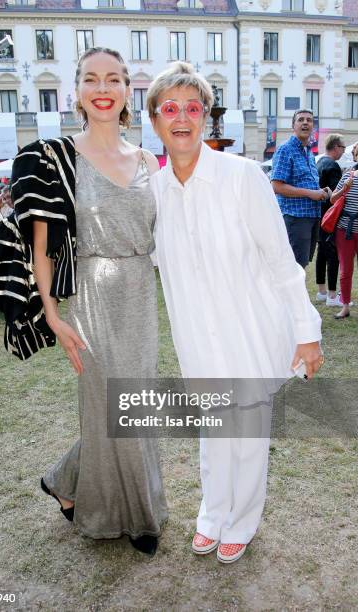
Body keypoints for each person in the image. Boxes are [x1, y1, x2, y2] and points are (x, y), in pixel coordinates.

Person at [0, 47, 167, 555]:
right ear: (77, 92)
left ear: (128, 89)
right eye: (92, 79)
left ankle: (66, 482)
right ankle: (134, 518)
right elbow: (40, 245)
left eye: (114, 78)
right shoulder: (55, 157)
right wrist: (51, 313)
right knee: (108, 405)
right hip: (88, 295)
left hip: (139, 292)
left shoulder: (147, 160)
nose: (103, 87)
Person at [147, 62, 323, 564]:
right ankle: (212, 512)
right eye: (170, 109)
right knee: (212, 432)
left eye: (193, 108)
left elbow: (281, 262)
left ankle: (241, 521)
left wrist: (306, 331)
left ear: (206, 118)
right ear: (156, 120)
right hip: (197, 336)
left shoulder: (243, 176)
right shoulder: (154, 195)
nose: (182, 118)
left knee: (246, 435)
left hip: (249, 330)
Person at [271, 109, 328, 268]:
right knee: (293, 268)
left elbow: (305, 183)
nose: (305, 123)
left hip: (311, 217)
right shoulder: (286, 149)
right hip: (295, 218)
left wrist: (321, 191)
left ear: (313, 126)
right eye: (301, 120)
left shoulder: (309, 152)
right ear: (293, 126)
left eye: (309, 120)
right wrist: (311, 194)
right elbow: (276, 186)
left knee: (301, 266)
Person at [315, 134, 346, 306]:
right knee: (332, 255)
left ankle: (322, 291)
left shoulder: (319, 162)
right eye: (342, 148)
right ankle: (332, 296)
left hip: (320, 216)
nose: (343, 151)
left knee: (322, 254)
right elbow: (336, 195)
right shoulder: (333, 166)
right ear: (336, 147)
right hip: (330, 217)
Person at [330, 142, 358, 319]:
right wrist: (344, 189)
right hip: (345, 230)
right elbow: (332, 199)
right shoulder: (349, 175)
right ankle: (345, 306)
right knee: (346, 270)